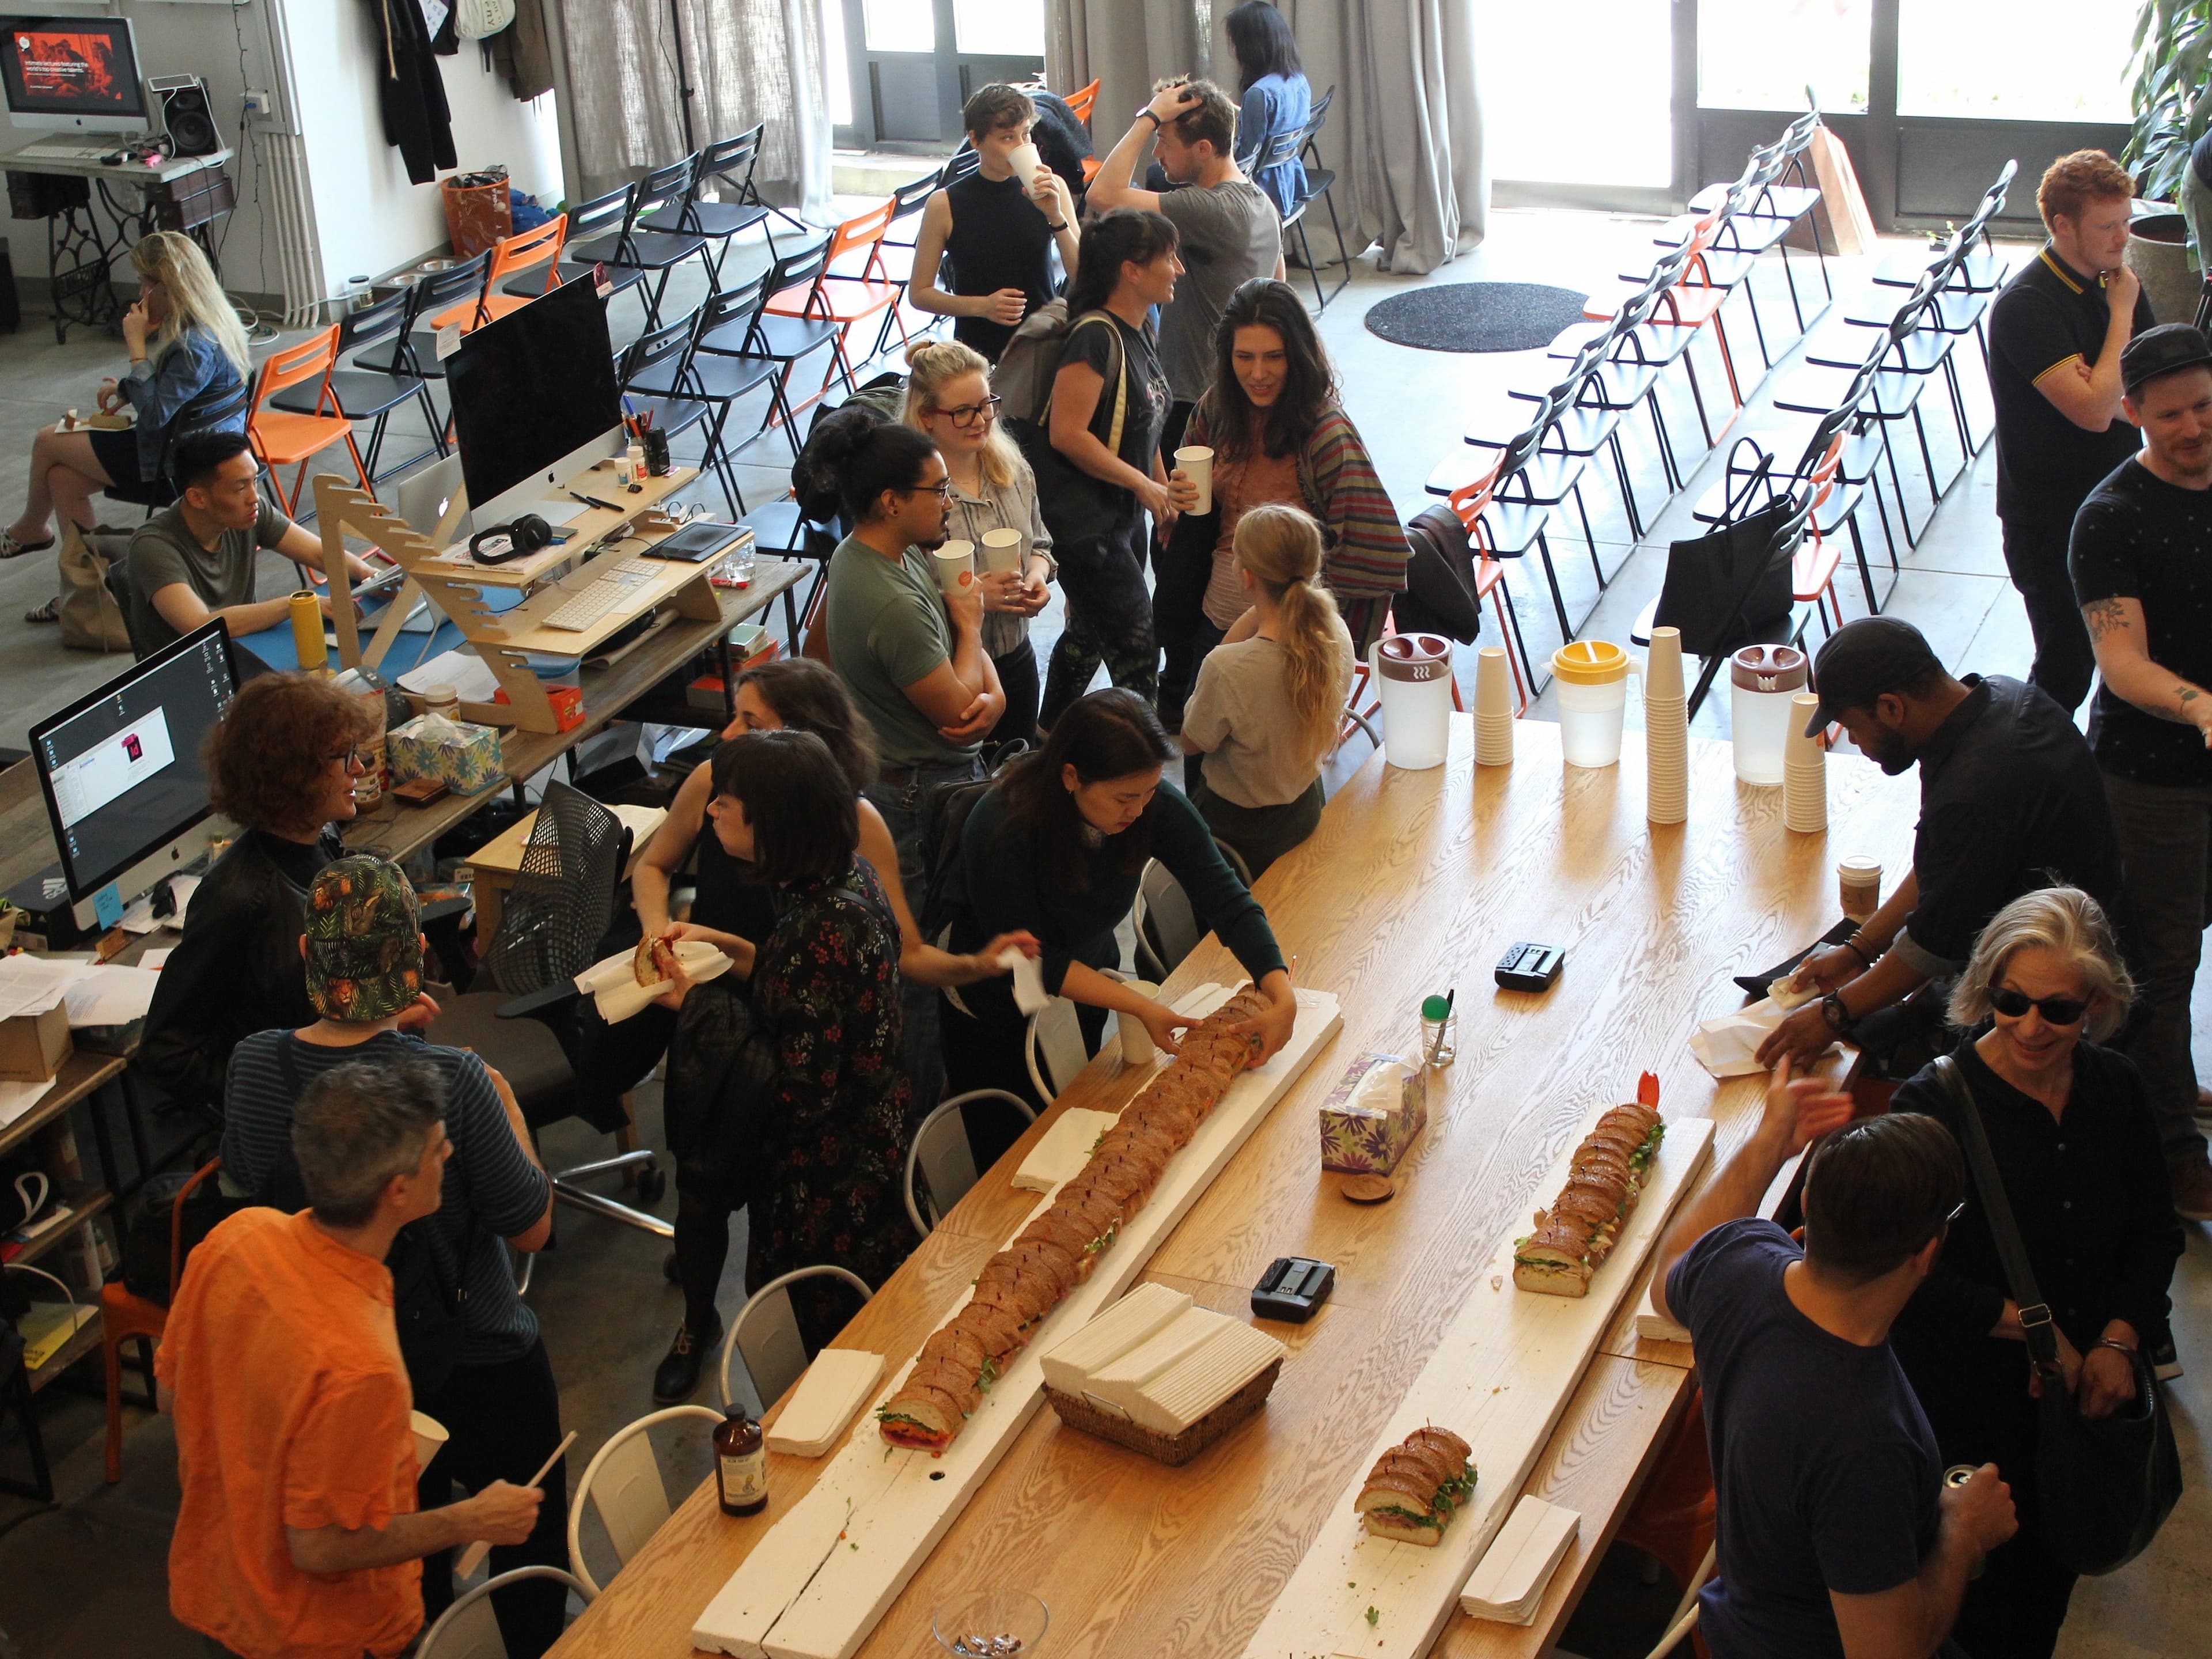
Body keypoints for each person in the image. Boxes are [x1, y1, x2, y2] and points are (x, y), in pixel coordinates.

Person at [218, 858, 567, 1658]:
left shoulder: (254, 1069)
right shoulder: (453, 1079)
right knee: (529, 1541)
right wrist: (501, 1096)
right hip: (478, 1355)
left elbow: (254, 1190)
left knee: (404, 1560)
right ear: (416, 956)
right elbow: (533, 1228)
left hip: (341, 1370)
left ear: (309, 954)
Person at [158, 1055, 543, 1659]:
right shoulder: (359, 1361)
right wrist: (472, 1519)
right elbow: (320, 1547)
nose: (447, 1158)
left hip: (220, 1589)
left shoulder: (237, 1239)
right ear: (398, 1191)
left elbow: (174, 1392)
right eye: (439, 1150)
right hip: (314, 1636)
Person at [1889, 888, 2183, 1659]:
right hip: (1965, 1407)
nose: (2028, 1026)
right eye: (2010, 1001)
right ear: (1985, 987)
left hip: (2079, 1407)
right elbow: (1905, 1274)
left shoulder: (2115, 1089)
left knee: (2041, 1602)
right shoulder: (1933, 1107)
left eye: (2058, 1011)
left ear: (2098, 1004)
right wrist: (2034, 1333)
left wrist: (2120, 1342)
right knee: (1971, 1611)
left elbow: (2156, 1232)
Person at [1650, 1072, 2019, 1659]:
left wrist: (1770, 1141)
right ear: (1926, 1254)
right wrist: (1962, 1533)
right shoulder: (1864, 1441)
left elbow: (1668, 1270)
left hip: (1739, 1630)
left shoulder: (1739, 1264)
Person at [643, 730, 921, 1395]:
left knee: (826, 1367)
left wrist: (696, 1009)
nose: (710, 813)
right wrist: (727, 945)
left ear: (771, 822)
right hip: (872, 1143)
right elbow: (799, 985)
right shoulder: (843, 876)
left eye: (725, 803)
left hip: (825, 1186)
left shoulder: (819, 928)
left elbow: (797, 1090)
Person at [1757, 617, 2130, 1080]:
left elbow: (1931, 946)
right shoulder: (1997, 698)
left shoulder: (1980, 785)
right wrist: (1858, 949)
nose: (1852, 741)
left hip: (2061, 1007)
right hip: (2053, 943)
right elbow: (1942, 865)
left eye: (1853, 727)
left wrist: (1833, 1014)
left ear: (1892, 708)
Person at [938, 688, 1298, 1142]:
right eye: (1124, 798)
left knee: (1076, 1106)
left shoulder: (1148, 805)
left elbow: (1226, 898)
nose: (1139, 810)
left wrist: (1279, 989)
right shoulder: (1000, 825)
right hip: (994, 999)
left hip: (1083, 976)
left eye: (1149, 791)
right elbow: (1028, 963)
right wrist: (1139, 1005)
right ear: (1071, 777)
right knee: (1013, 1141)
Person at [141, 672, 431, 1119]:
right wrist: (285, 1094)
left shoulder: (322, 839)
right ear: (293, 775)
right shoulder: (235, 900)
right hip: (307, 1116)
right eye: (343, 757)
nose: (361, 767)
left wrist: (385, 1016)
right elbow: (167, 1051)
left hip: (353, 1081)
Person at [2071, 323, 2212, 1218]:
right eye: (2174, 417)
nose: (2196, 428)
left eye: (2206, 407)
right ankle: (2171, 1153)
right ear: (2133, 416)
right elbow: (2122, 663)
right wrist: (2203, 708)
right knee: (2161, 968)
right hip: (2153, 776)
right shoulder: (2111, 518)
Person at [1158, 278, 1407, 722]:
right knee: (1204, 750)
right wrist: (1179, 496)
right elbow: (1188, 496)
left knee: (1272, 766)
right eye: (1244, 357)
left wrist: (1314, 619)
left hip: (1288, 641)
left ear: (1299, 355)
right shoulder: (1216, 409)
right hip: (1216, 619)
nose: (1257, 373)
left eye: (1274, 356)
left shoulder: (1325, 434)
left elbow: (1379, 550)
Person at [1986, 149, 2154, 714]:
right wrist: (2123, 314)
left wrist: (2110, 385)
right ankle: (2028, 769)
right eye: (2108, 227)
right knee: (2066, 665)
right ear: (2062, 225)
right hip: (2049, 519)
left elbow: (2142, 393)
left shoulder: (2115, 279)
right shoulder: (2026, 306)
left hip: (2116, 502)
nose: (2123, 238)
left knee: (2128, 651)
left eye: (2126, 222)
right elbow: (2093, 410)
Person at [5, 232, 251, 616]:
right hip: (193, 449)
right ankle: (89, 593)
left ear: (169, 287)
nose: (140, 293)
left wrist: (136, 346)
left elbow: (154, 415)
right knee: (62, 480)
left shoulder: (194, 346)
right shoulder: (215, 323)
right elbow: (176, 391)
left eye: (147, 284)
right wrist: (128, 387)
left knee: (47, 440)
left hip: (172, 467)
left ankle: (31, 530)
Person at [1036, 209, 1180, 729]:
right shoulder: (1095, 337)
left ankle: (1046, 737)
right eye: (1168, 258)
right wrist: (1143, 486)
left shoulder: (1139, 330)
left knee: (1087, 635)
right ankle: (1140, 772)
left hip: (1122, 521)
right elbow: (1067, 434)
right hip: (1086, 529)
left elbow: (1151, 418)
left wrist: (1163, 492)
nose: (1178, 269)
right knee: (1139, 657)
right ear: (1131, 271)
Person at [1088, 78, 1285, 455]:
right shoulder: (1261, 202)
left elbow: (1102, 195)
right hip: (1227, 392)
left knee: (1183, 512)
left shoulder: (1208, 209)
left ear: (1204, 149)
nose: (1156, 152)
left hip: (1195, 401)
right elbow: (1278, 284)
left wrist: (1148, 118)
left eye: (1165, 141)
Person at [1178, 503, 1352, 877]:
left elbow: (1192, 743)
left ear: (1246, 576)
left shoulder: (1228, 668)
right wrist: (1263, 609)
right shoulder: (1335, 633)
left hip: (1238, 834)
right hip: (1306, 808)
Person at [903, 340, 1056, 745]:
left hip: (1018, 656)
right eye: (962, 411)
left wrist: (1037, 578)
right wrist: (971, 596)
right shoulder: (912, 497)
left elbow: (1040, 543)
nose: (981, 420)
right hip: (949, 670)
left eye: (987, 404)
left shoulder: (1014, 471)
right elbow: (896, 594)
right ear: (926, 418)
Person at [127, 427, 374, 654]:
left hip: (247, 644)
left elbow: (319, 554)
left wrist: (370, 575)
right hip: (199, 670)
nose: (254, 497)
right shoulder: (153, 547)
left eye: (255, 481)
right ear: (198, 498)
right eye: (240, 488)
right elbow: (201, 626)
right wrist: (297, 605)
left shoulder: (247, 512)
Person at [906, 83, 1081, 365]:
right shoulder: (945, 204)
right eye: (1007, 138)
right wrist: (982, 306)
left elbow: (1083, 275)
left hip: (1044, 343)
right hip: (977, 352)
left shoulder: (1052, 187)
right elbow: (920, 293)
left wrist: (1056, 217)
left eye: (1026, 135)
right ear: (975, 140)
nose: (1021, 147)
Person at [1224, 1, 1312, 217]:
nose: (1234, 50)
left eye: (1236, 42)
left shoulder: (1259, 93)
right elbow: (1275, 127)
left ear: (1250, 46)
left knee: (1161, 175)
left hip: (1261, 187)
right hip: (1287, 175)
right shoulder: (1297, 79)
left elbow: (1247, 157)